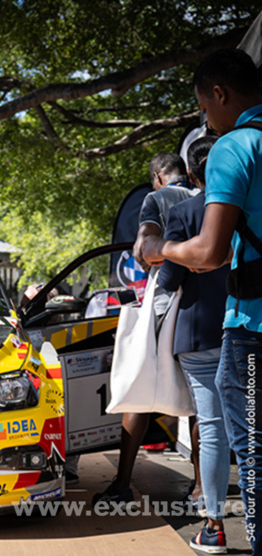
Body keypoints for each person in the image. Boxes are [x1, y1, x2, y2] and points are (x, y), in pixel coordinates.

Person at [143, 48, 262, 553]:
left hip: (253, 325)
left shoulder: (236, 146)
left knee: (252, 451)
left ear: (220, 93)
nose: (205, 121)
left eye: (204, 109)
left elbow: (210, 252)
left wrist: (159, 249)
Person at [93, 153, 197, 506]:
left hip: (165, 301)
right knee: (202, 401)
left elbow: (143, 249)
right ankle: (201, 489)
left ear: (157, 176)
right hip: (204, 306)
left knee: (138, 387)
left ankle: (122, 483)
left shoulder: (157, 199)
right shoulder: (207, 196)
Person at [157, 136, 231, 553]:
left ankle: (214, 527)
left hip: (200, 336)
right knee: (250, 427)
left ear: (191, 174)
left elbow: (169, 279)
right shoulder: (246, 209)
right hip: (248, 331)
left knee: (214, 429)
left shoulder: (184, 212)